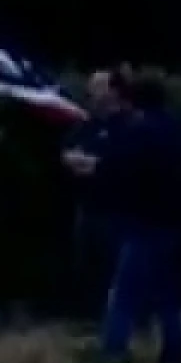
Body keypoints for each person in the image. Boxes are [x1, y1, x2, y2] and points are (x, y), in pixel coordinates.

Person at [64, 69, 181, 363]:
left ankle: (113, 353)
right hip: (175, 222)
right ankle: (173, 360)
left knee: (124, 293)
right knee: (168, 297)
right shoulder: (179, 128)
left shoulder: (141, 131)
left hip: (144, 221)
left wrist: (93, 168)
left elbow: (124, 168)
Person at [65, 68, 132, 318]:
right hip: (88, 206)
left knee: (115, 266)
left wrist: (95, 164)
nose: (92, 91)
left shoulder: (127, 124)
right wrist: (86, 163)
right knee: (86, 265)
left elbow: (117, 163)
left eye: (99, 86)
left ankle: (120, 319)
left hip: (116, 209)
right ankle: (88, 318)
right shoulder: (86, 124)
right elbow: (69, 152)